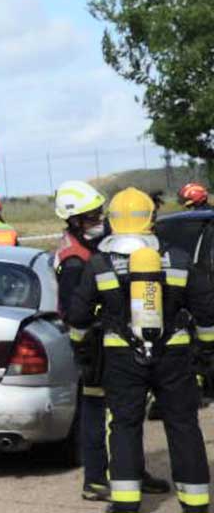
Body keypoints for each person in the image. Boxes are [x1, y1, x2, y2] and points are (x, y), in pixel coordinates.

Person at [69, 188, 213, 513]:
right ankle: (195, 503)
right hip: (174, 357)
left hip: (121, 357)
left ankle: (125, 504)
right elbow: (207, 316)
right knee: (183, 426)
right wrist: (204, 358)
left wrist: (82, 352)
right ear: (151, 219)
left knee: (123, 426)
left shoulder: (99, 264)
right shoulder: (178, 259)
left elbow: (78, 319)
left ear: (114, 221)